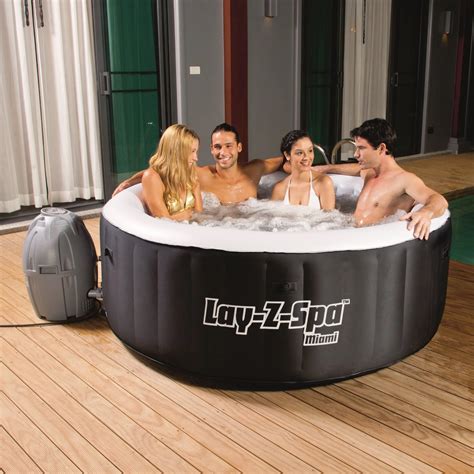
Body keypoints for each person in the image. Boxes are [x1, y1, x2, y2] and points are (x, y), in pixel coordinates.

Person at [314, 118, 448, 239]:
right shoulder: (370, 173)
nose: (356, 154)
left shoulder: (404, 180)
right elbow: (357, 169)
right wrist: (326, 168)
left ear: (381, 148)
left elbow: (439, 200)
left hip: (374, 241)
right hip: (351, 233)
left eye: (361, 148)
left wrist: (426, 213)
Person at [113, 123, 284, 204]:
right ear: (211, 149)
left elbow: (285, 160)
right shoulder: (202, 175)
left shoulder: (255, 169)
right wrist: (129, 181)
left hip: (253, 225)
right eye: (217, 147)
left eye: (228, 146)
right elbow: (162, 169)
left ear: (239, 147)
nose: (223, 152)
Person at [141, 124, 202, 221]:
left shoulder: (190, 174)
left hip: (191, 228)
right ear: (176, 151)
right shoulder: (152, 177)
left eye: (196, 151)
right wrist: (185, 214)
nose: (196, 158)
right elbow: (164, 222)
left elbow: (199, 214)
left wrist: (177, 217)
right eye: (192, 151)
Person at [271, 130, 335, 210]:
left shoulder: (323, 183)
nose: (306, 157)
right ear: (287, 155)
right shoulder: (280, 189)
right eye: (299, 153)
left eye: (310, 151)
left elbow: (330, 217)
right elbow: (273, 217)